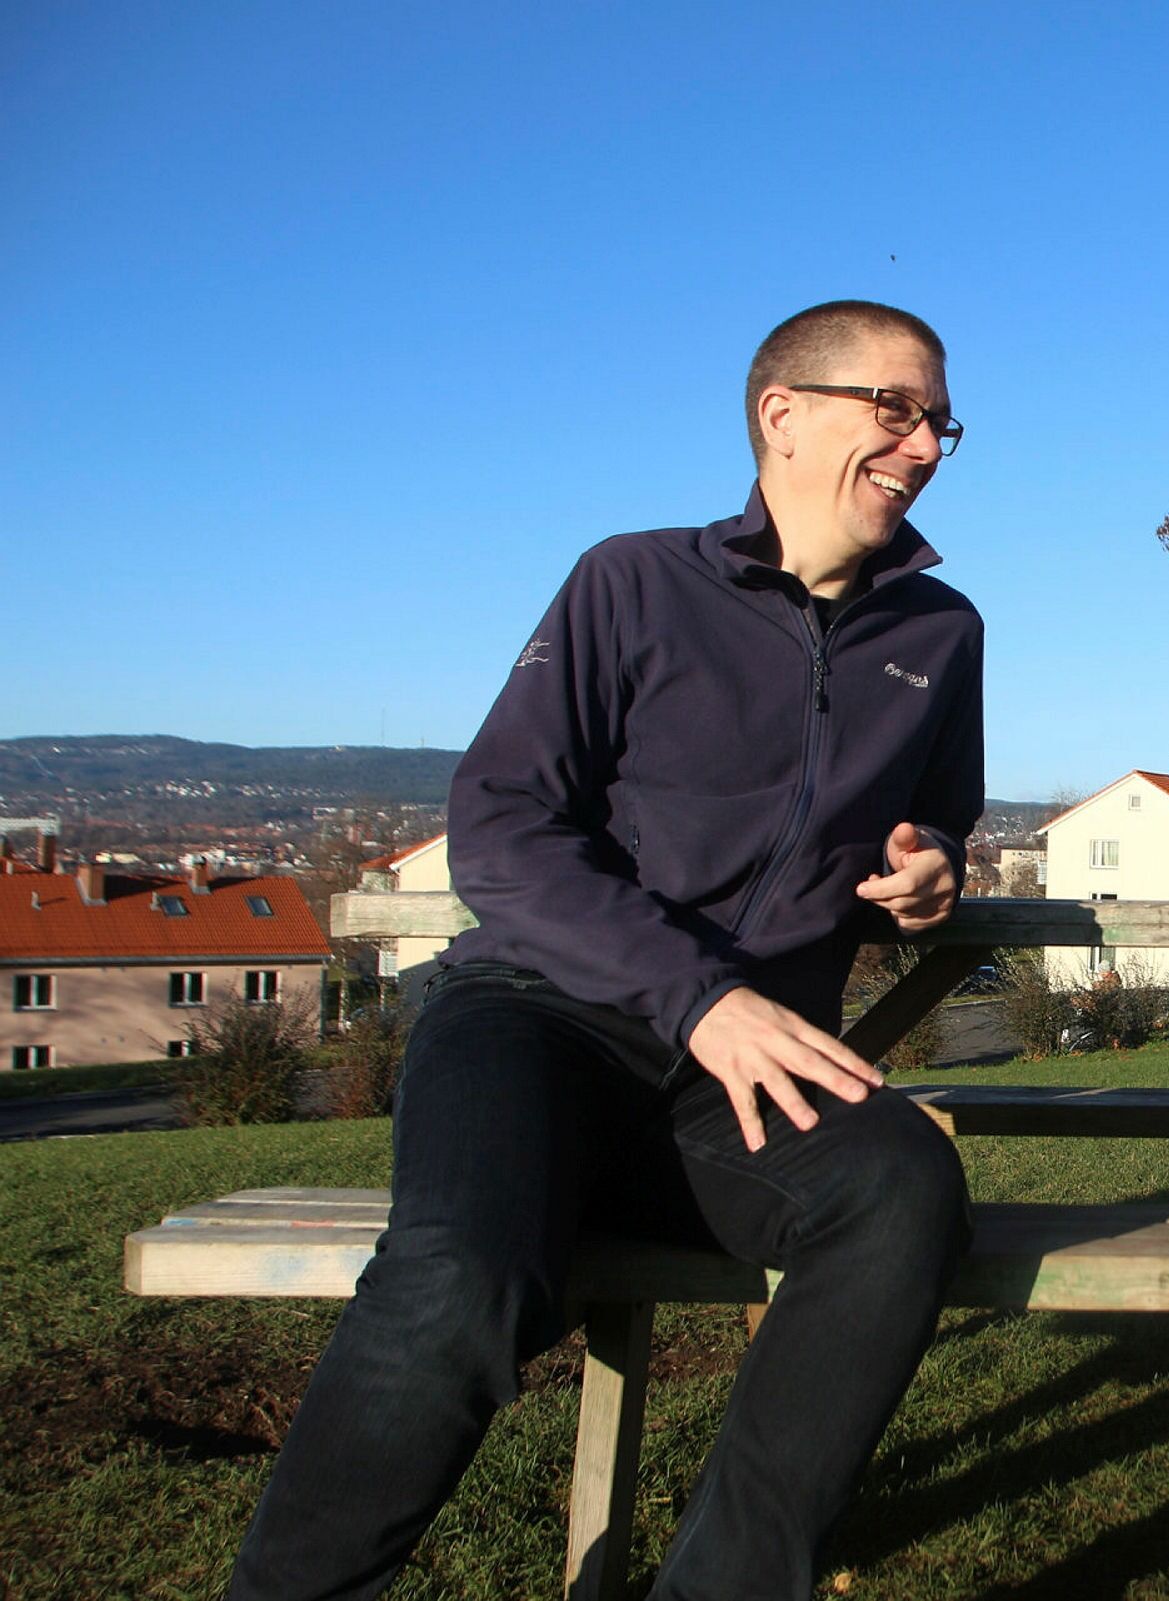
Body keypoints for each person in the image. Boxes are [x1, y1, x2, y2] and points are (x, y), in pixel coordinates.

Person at [231, 300, 985, 1600]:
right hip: (540, 1023)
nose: (923, 445)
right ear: (782, 413)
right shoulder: (634, 581)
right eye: (895, 409)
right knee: (463, 1277)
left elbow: (936, 824)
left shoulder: (940, 634)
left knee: (903, 1182)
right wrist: (696, 996)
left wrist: (930, 876)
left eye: (940, 422)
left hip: (734, 1085)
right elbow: (503, 826)